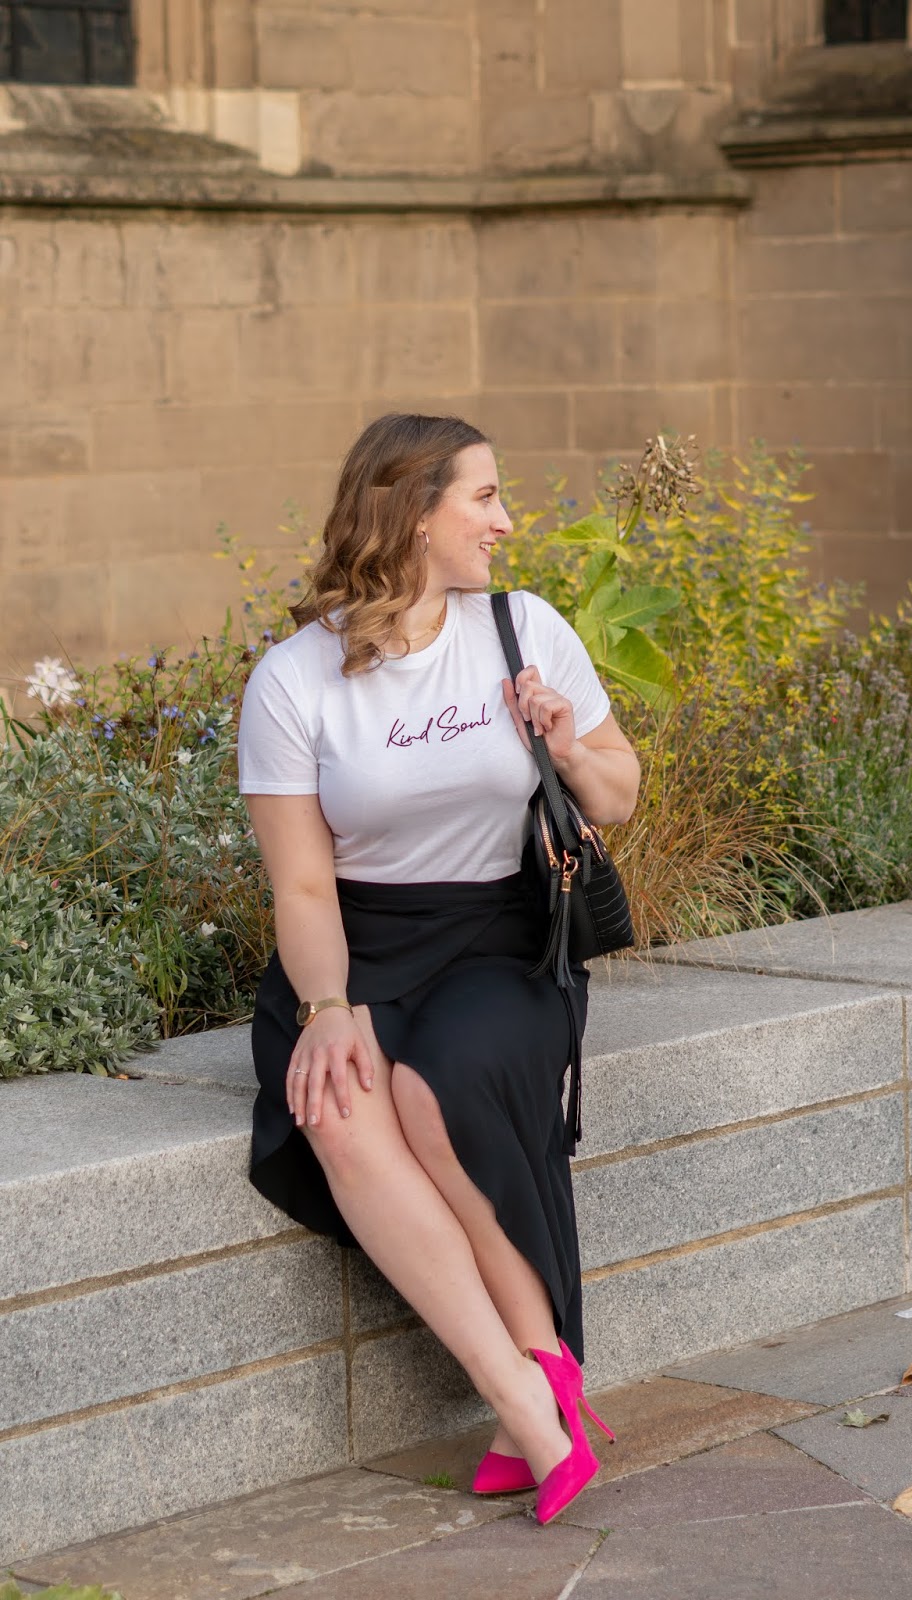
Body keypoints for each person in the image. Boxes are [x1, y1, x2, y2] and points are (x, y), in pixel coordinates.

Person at [237, 412, 641, 1524]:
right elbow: (302, 888)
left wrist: (565, 743)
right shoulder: (293, 680)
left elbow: (618, 794)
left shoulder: (523, 628)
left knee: (435, 1086)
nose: (505, 521)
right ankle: (531, 1397)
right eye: (485, 497)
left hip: (506, 936)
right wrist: (326, 1007)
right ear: (414, 512)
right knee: (339, 1106)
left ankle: (537, 1390)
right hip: (354, 945)